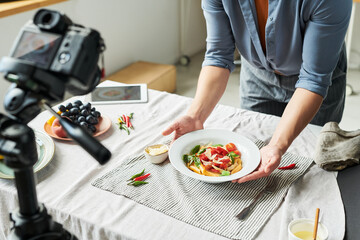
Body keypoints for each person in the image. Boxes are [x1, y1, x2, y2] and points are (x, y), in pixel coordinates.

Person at [162, 0, 352, 183]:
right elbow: (218, 55)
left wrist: (277, 145)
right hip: (257, 76)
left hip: (316, 86)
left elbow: (313, 79)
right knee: (251, 155)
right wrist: (196, 116)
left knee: (312, 168)